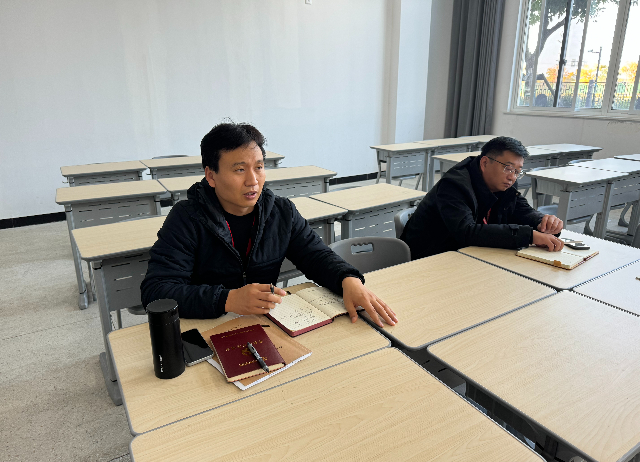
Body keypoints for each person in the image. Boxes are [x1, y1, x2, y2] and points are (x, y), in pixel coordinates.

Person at [141, 122, 397, 327]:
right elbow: (156, 291)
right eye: (239, 170)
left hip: (264, 323)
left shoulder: (281, 212)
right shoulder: (187, 218)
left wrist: (348, 279)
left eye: (259, 167)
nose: (253, 180)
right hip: (205, 325)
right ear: (211, 175)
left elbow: (316, 255)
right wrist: (227, 299)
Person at [400, 136, 564, 260]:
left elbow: (522, 210)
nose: (512, 177)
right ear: (485, 163)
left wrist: (542, 221)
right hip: (432, 258)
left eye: (517, 171)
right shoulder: (454, 185)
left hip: (470, 255)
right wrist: (528, 236)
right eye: (508, 168)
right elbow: (467, 232)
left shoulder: (504, 182)